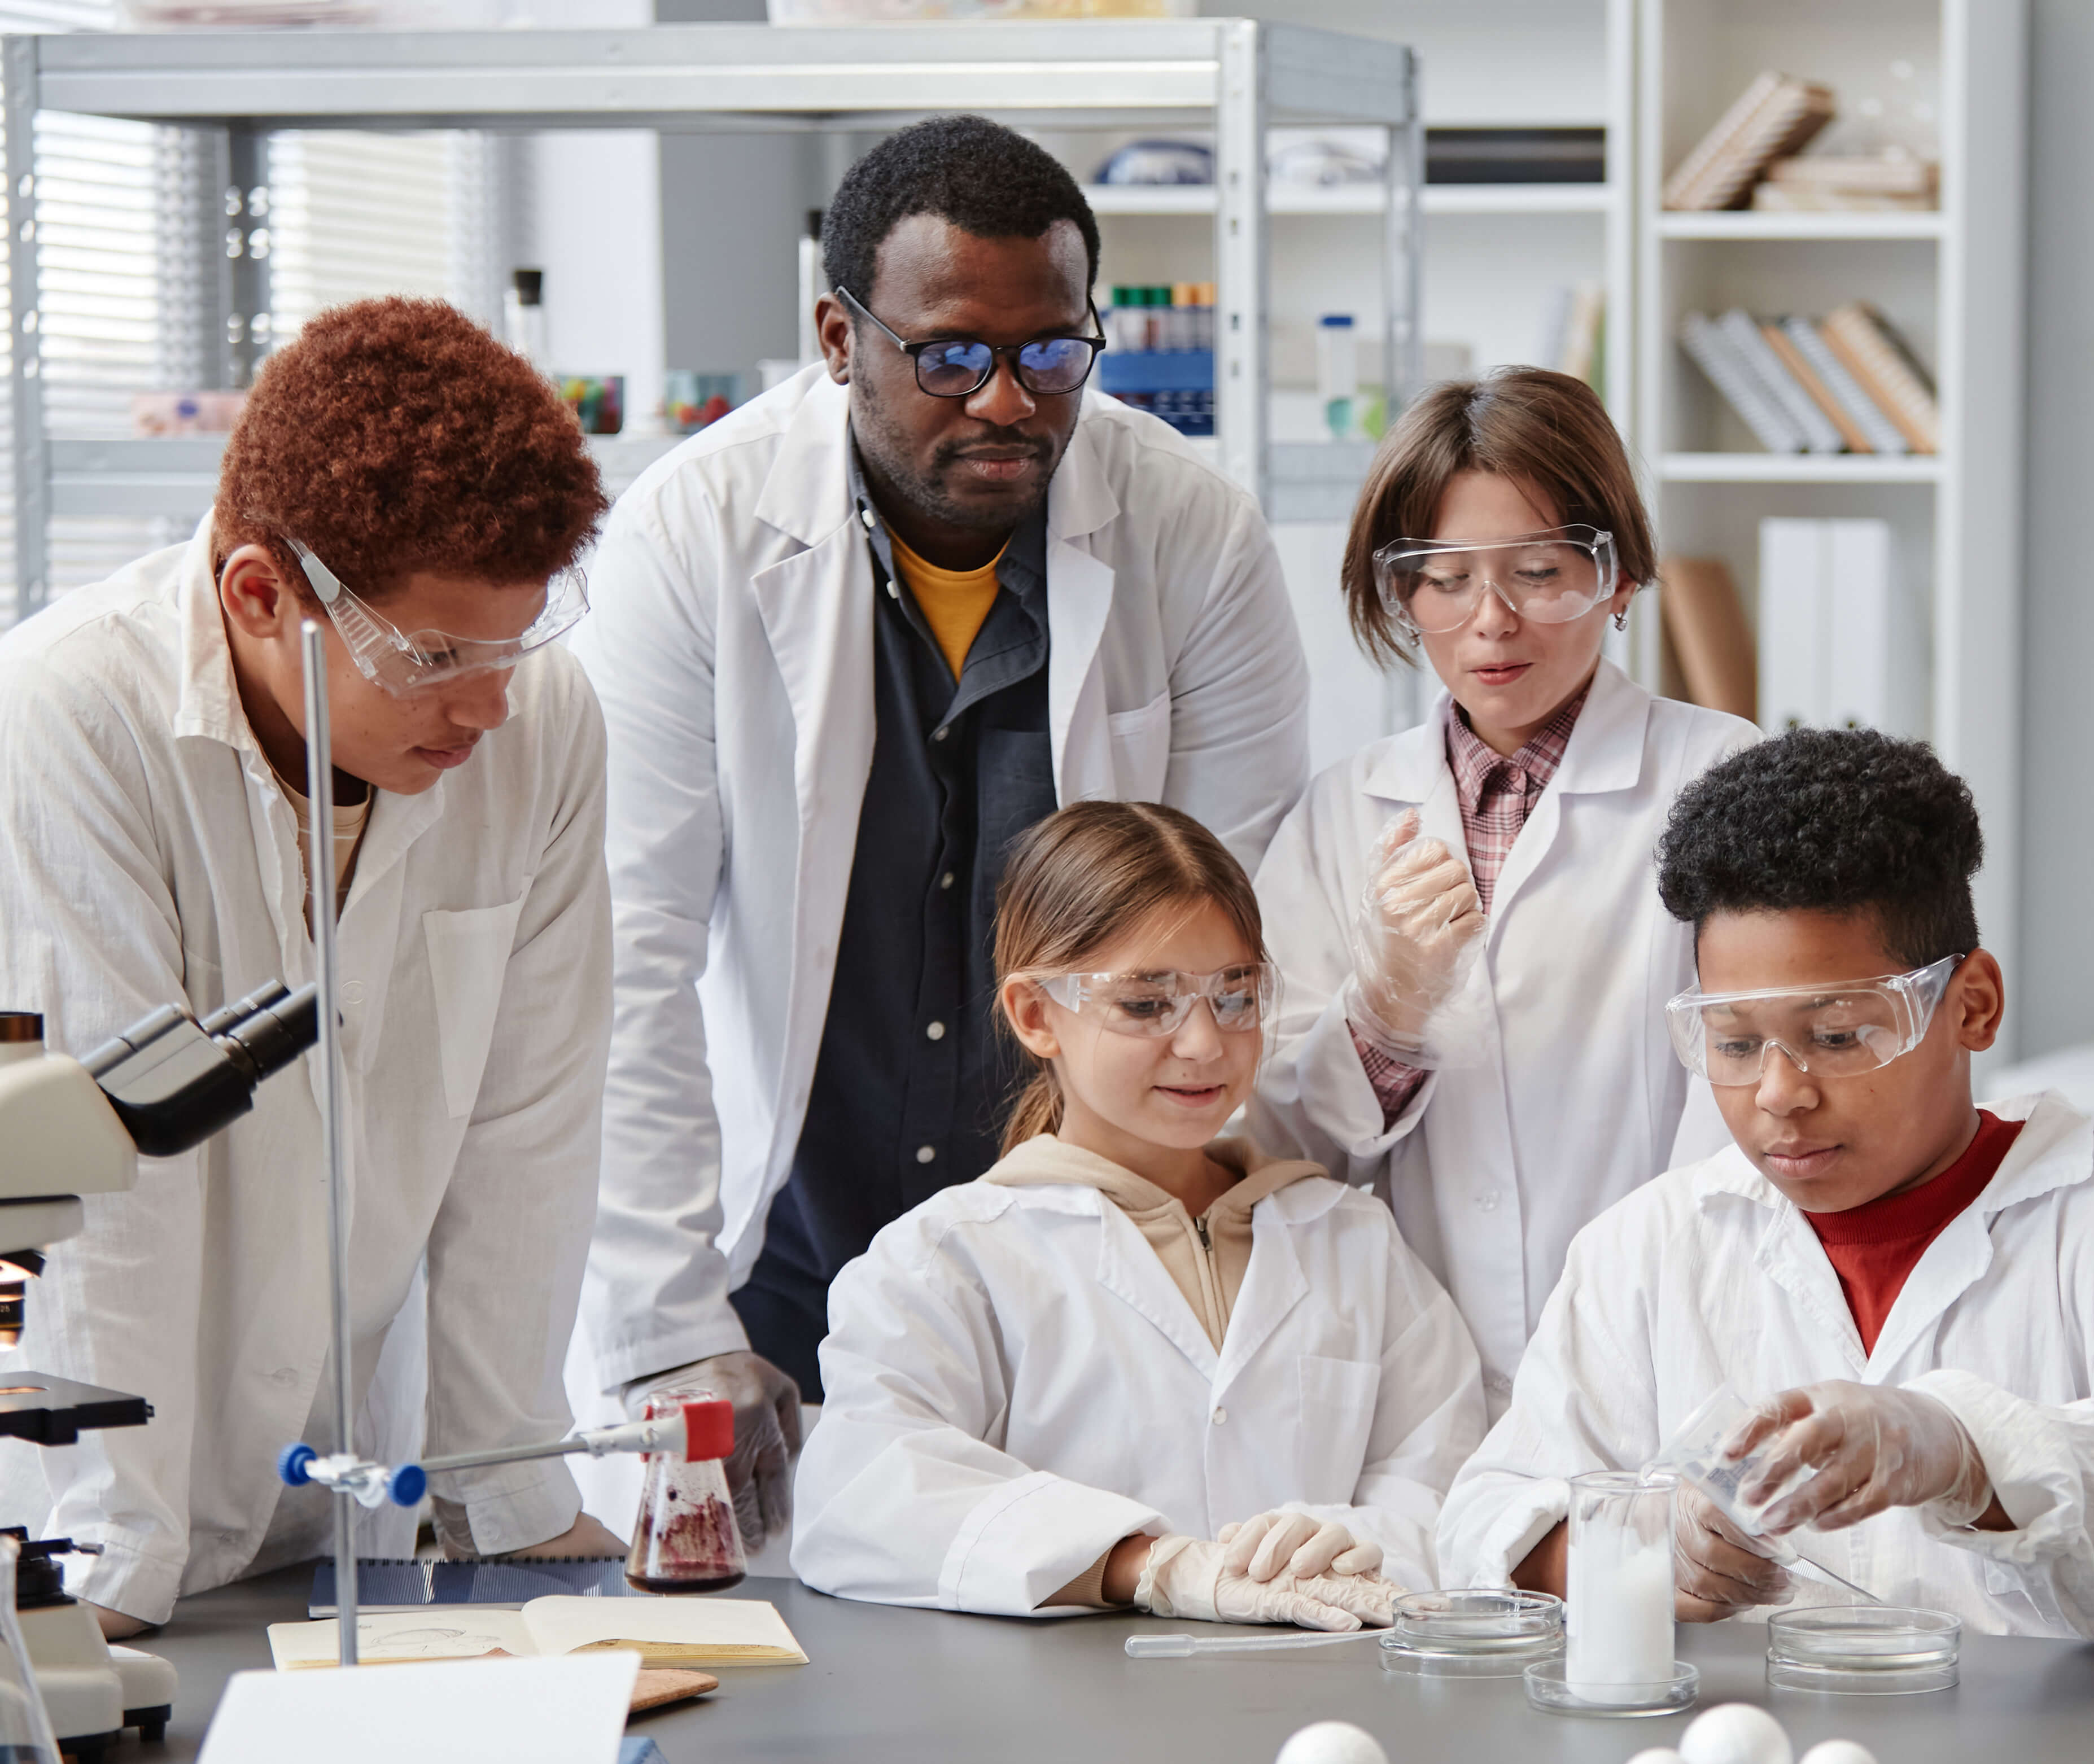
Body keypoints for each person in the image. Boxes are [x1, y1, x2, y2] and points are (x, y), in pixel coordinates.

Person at [570, 116, 1310, 1543]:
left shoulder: (1192, 534)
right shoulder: (691, 537)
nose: (1008, 404)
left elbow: (1223, 946)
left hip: (1070, 1267)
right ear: (840, 338)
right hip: (775, 1255)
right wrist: (665, 1328)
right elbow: (628, 957)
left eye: (1049, 355)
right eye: (951, 356)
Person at [0, 299, 623, 1634]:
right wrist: (108, 1557)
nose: (487, 706)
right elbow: (102, 1171)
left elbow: (531, 1122)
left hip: (350, 1507)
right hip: (101, 1505)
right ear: (260, 595)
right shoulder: (66, 718)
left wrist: (508, 1499)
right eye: (436, 656)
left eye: (513, 643)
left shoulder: (534, 724)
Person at [1433, 728, 2094, 1638]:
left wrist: (1962, 1452)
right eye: (1734, 1042)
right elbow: (1483, 1523)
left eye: (1838, 1035)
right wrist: (1646, 1544)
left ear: (1972, 1006)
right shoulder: (1647, 1249)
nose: (1780, 1093)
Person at [794, 802, 1483, 1620]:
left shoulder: (1351, 1242)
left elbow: (1454, 1490)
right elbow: (860, 1502)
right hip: (1068, 1731)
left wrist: (1342, 1542)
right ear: (1035, 1015)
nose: (1203, 1043)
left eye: (1235, 995)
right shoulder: (947, 1261)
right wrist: (1149, 1565)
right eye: (1146, 1004)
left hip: (1323, 1712)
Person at [1255, 370, 1756, 1406]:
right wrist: (1387, 1011)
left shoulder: (1720, 779)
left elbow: (1745, 1108)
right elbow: (1278, 1140)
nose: (1492, 622)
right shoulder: (1344, 811)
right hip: (1414, 1383)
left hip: (1667, 1362)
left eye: (1539, 571)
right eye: (1445, 579)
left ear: (1617, 578)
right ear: (1401, 592)